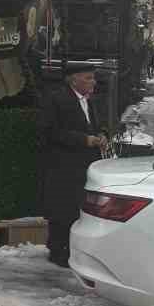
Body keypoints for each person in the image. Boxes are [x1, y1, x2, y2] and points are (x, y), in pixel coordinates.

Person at [37, 66, 106, 268]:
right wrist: (84, 140)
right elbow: (49, 132)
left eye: (93, 78)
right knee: (62, 209)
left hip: (84, 163)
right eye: (88, 78)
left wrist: (101, 134)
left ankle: (72, 249)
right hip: (63, 164)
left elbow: (94, 124)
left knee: (77, 207)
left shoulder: (89, 99)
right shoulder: (56, 99)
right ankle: (58, 251)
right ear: (74, 80)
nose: (93, 82)